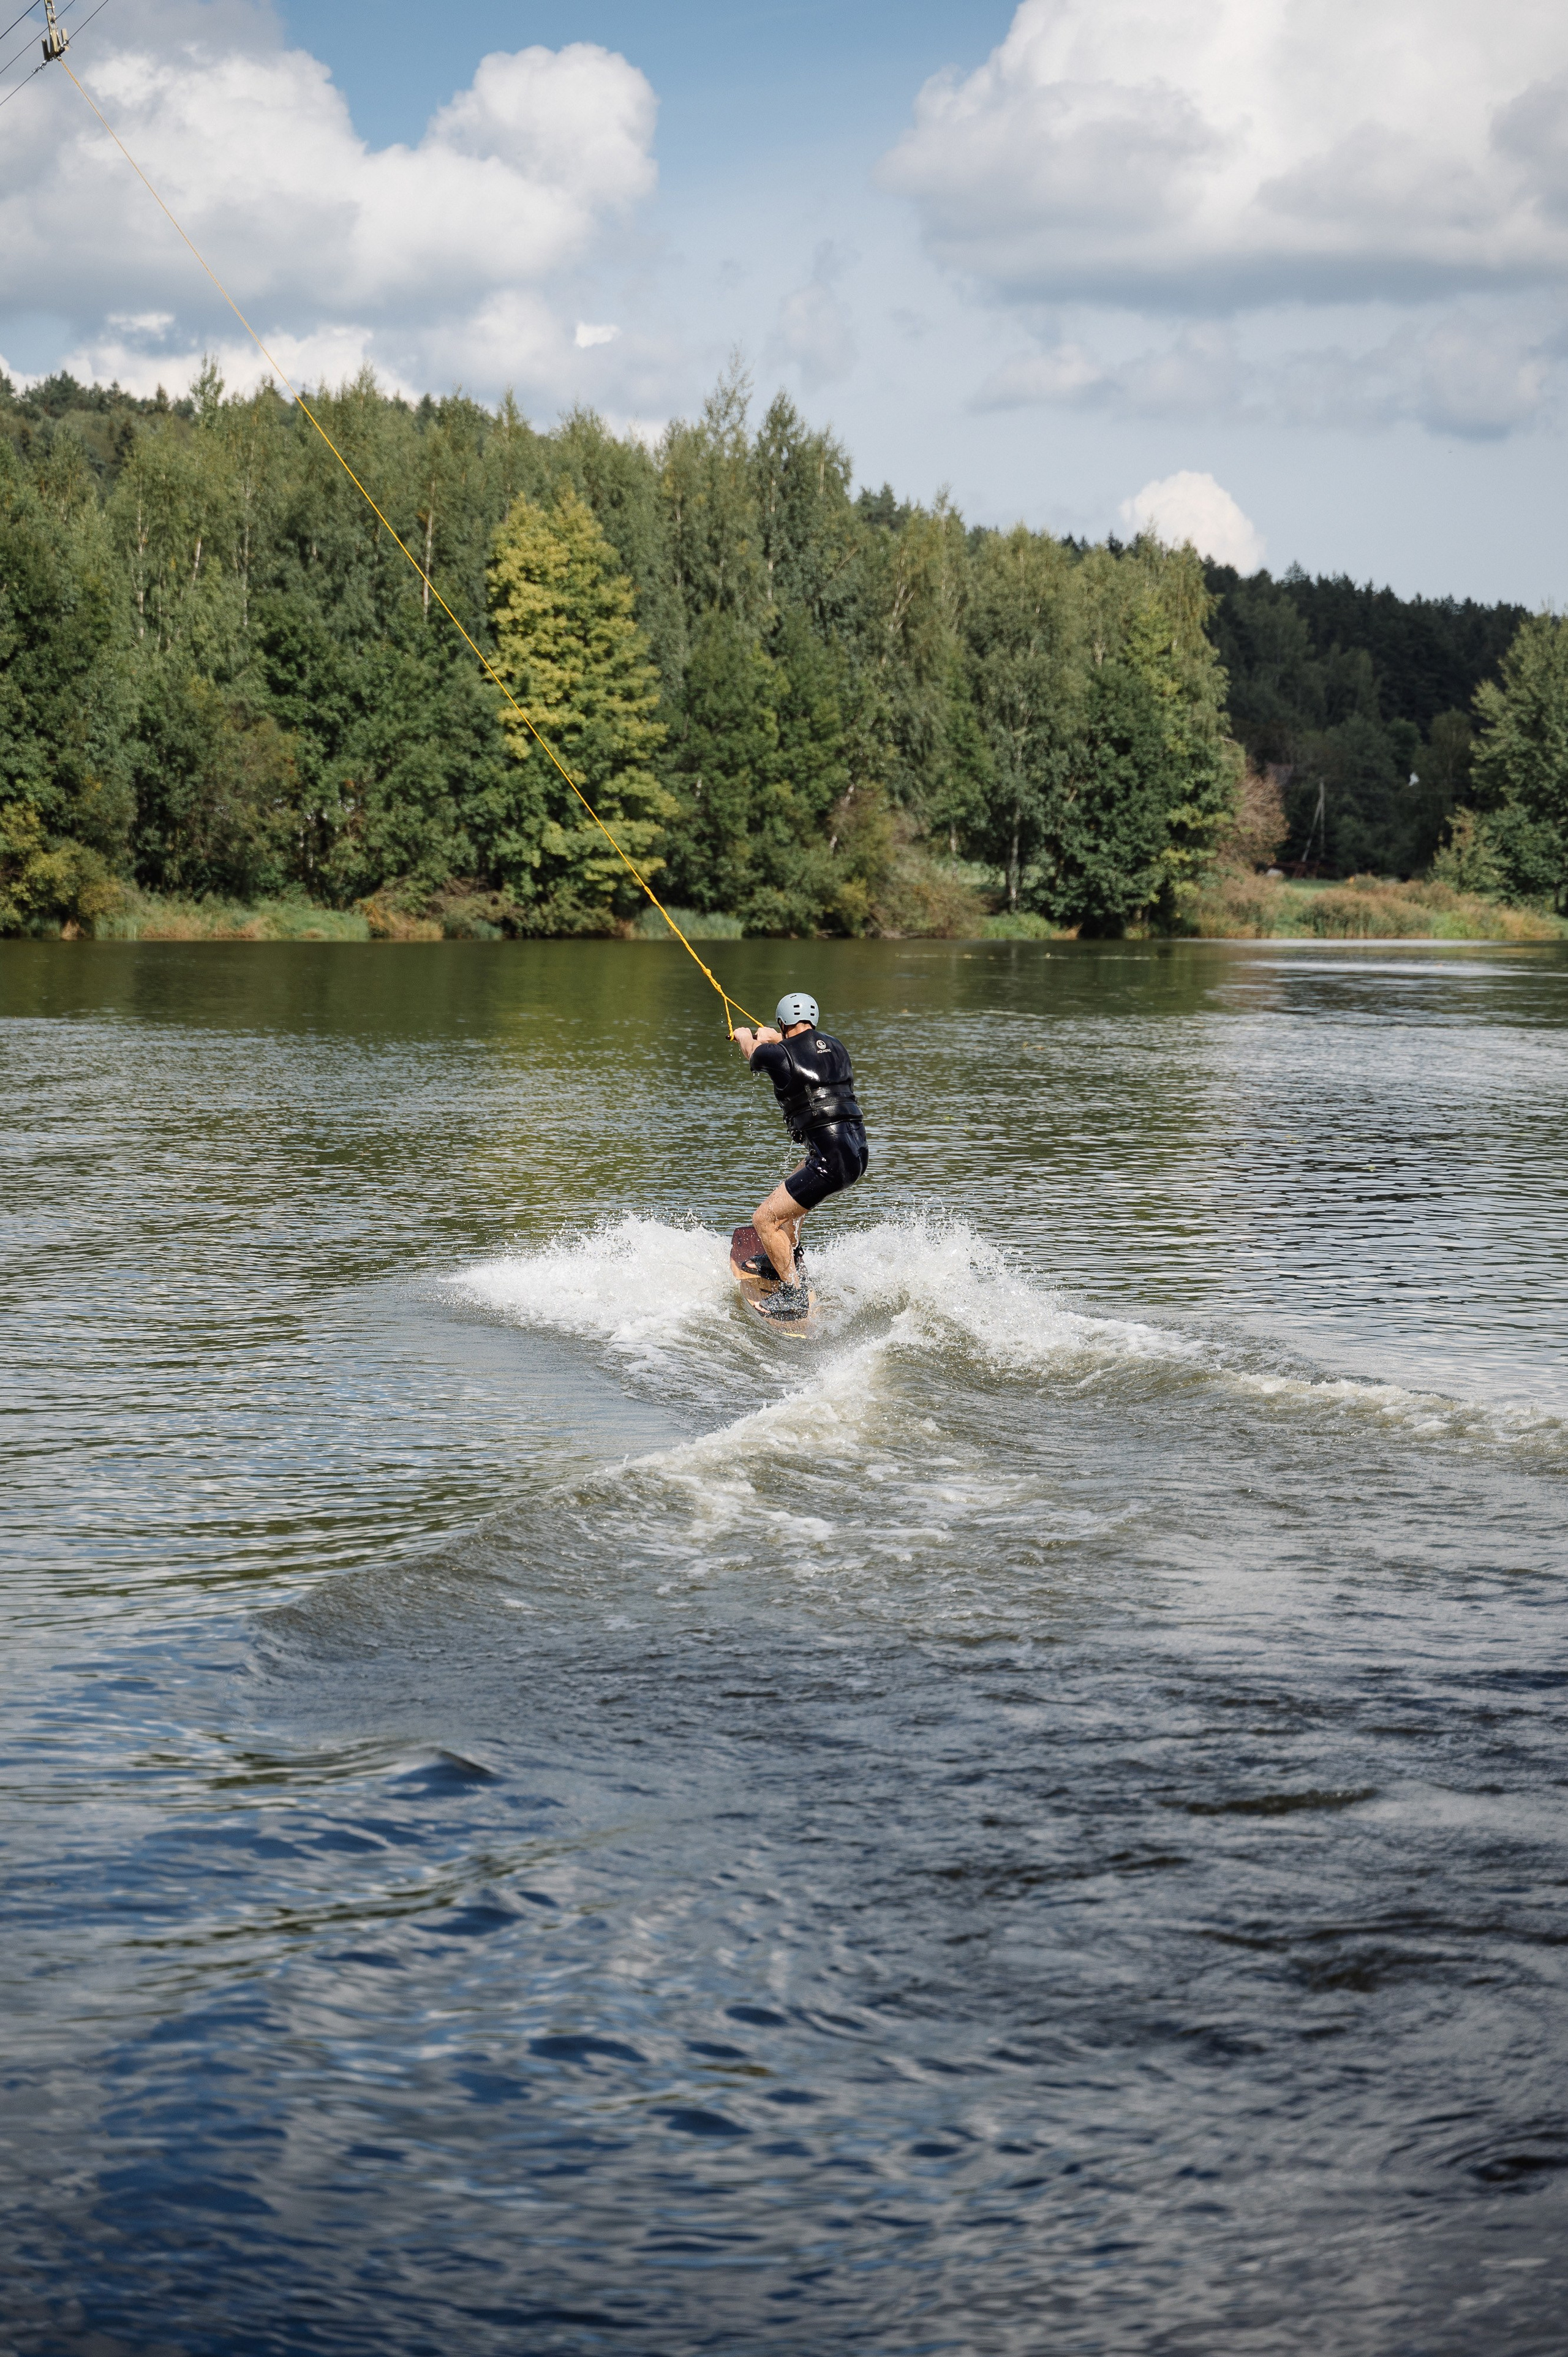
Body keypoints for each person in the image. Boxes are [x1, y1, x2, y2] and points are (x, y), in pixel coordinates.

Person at [732, 992, 869, 1316]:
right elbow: (802, 1049)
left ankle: (793, 1294)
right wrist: (773, 1038)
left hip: (831, 1161)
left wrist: (745, 1036)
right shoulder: (836, 1046)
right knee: (794, 1184)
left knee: (764, 1219)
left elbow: (755, 1055)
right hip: (856, 1152)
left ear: (782, 1022)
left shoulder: (775, 1055)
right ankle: (788, 1257)